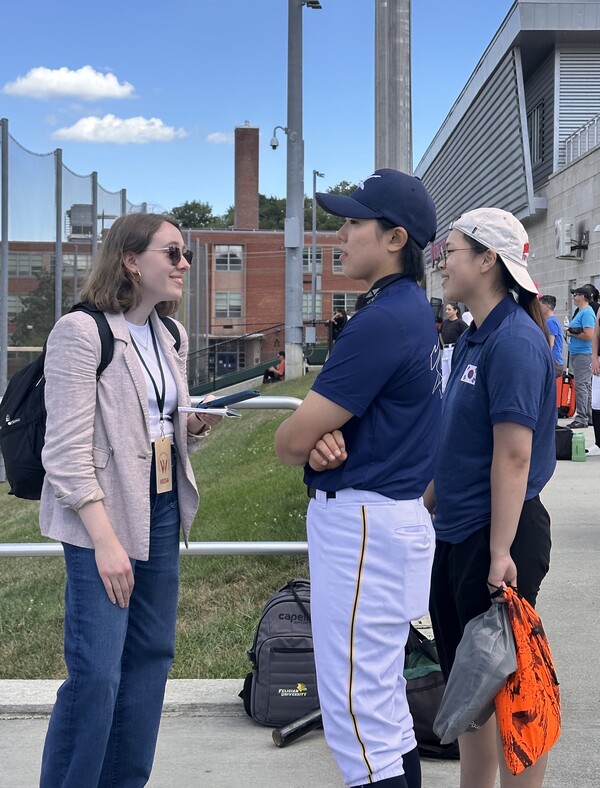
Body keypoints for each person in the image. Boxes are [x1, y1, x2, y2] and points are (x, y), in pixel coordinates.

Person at [39, 213, 223, 787]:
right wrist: (105, 541)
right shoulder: (81, 331)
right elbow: (65, 452)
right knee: (97, 673)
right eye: (172, 253)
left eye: (185, 254)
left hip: (162, 505)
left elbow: (155, 419)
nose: (183, 265)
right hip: (103, 512)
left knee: (149, 660)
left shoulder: (170, 335)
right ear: (129, 260)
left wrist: (190, 424)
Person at [274, 169, 442, 788]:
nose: (341, 234)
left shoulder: (382, 319)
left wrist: (305, 441)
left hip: (366, 522)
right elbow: (319, 440)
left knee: (357, 715)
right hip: (386, 515)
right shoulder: (409, 310)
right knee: (383, 710)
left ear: (395, 238)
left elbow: (287, 440)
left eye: (353, 223)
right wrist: (321, 445)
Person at [426, 207, 556, 788]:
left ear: (487, 260)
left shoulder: (516, 342)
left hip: (496, 536)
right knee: (467, 688)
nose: (441, 261)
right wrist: (419, 509)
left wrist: (500, 551)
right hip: (458, 533)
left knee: (510, 691)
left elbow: (514, 456)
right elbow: (457, 446)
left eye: (450, 250)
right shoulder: (474, 338)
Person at [566, 287, 595, 428]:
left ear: (583, 297)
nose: (573, 296)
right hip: (579, 353)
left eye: (575, 294)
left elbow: (589, 335)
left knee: (581, 385)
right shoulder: (581, 312)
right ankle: (589, 416)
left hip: (583, 354)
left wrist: (572, 333)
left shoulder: (587, 313)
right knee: (586, 386)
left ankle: (582, 418)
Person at [440, 302, 469, 393]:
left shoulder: (460, 323)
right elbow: (440, 334)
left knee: (454, 372)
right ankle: (444, 394)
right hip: (445, 349)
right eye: (446, 309)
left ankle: (455, 393)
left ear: (455, 310)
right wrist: (444, 345)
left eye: (449, 309)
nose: (447, 311)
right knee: (444, 374)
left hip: (454, 349)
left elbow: (467, 335)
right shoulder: (445, 323)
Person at [539, 294, 563, 376]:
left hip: (554, 361)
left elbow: (550, 344)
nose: (538, 308)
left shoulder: (550, 322)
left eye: (540, 305)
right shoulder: (551, 320)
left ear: (548, 306)